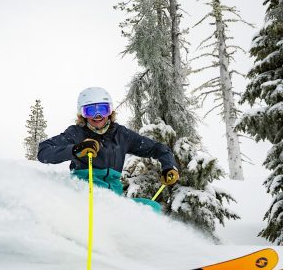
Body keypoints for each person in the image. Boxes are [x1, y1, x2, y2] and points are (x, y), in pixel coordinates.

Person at [37, 87, 179, 212]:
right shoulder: (76, 133)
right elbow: (44, 151)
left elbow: (157, 148)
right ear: (83, 114)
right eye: (90, 111)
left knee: (150, 208)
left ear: (110, 112)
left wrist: (168, 166)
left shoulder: (121, 135)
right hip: (85, 195)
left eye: (102, 110)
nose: (97, 116)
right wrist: (76, 149)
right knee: (101, 206)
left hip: (114, 200)